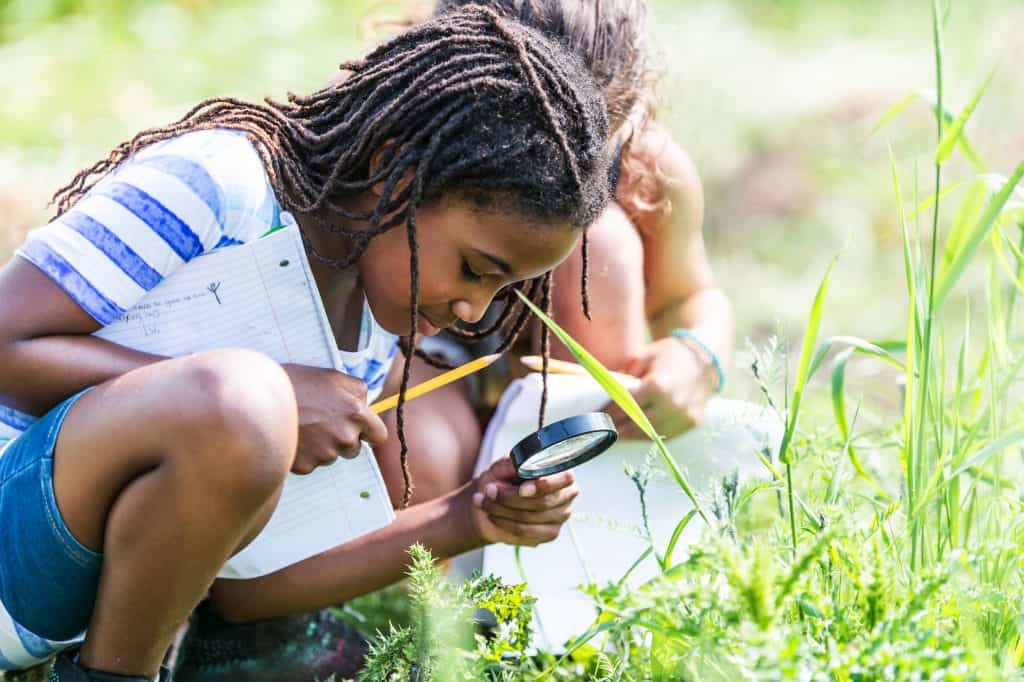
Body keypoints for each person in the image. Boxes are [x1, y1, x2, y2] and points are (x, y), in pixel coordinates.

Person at [0, 7, 614, 681]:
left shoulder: (371, 328)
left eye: (503, 291)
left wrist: (469, 516)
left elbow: (243, 589)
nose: (474, 309)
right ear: (395, 170)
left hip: (51, 610)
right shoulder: (221, 185)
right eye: (474, 268)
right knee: (243, 400)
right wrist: (269, 396)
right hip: (16, 528)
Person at [374, 0, 735, 507]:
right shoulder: (399, 125)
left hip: (563, 371)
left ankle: (588, 519)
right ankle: (442, 560)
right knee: (422, 457)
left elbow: (691, 294)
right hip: (424, 351)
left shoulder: (644, 167)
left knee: (601, 248)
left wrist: (697, 357)